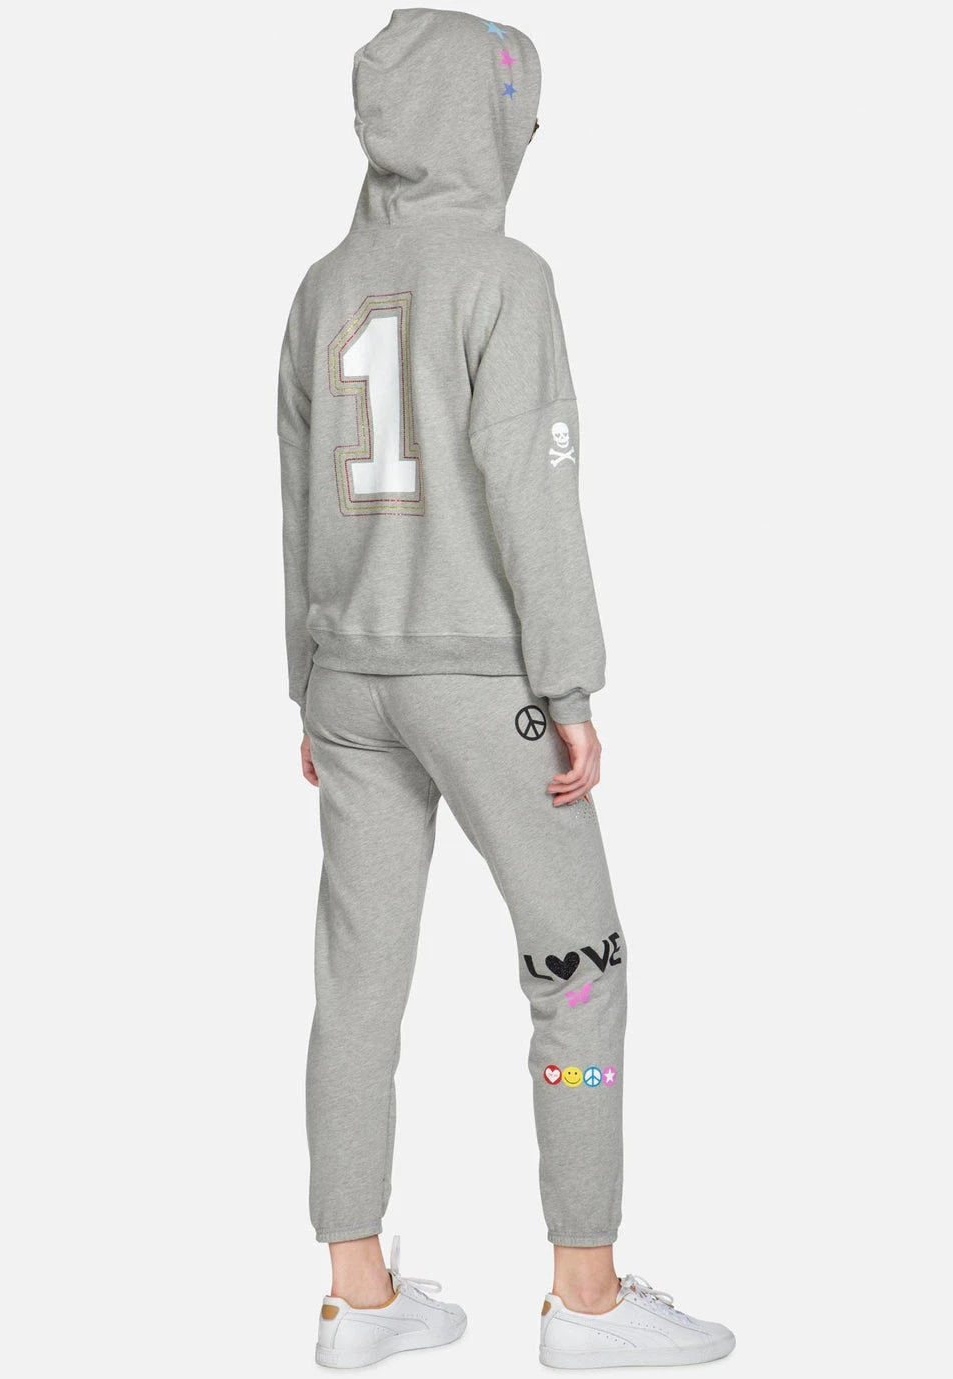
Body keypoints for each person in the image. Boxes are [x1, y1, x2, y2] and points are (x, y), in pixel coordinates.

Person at [277, 8, 735, 1369]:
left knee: (358, 981)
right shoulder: (505, 275)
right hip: (482, 679)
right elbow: (536, 493)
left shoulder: (319, 288)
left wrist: (302, 681)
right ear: (482, 120)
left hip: (349, 680)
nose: (530, 134)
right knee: (578, 969)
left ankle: (358, 1294)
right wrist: (570, 683)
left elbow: (293, 494)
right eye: (520, 109)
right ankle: (586, 1300)